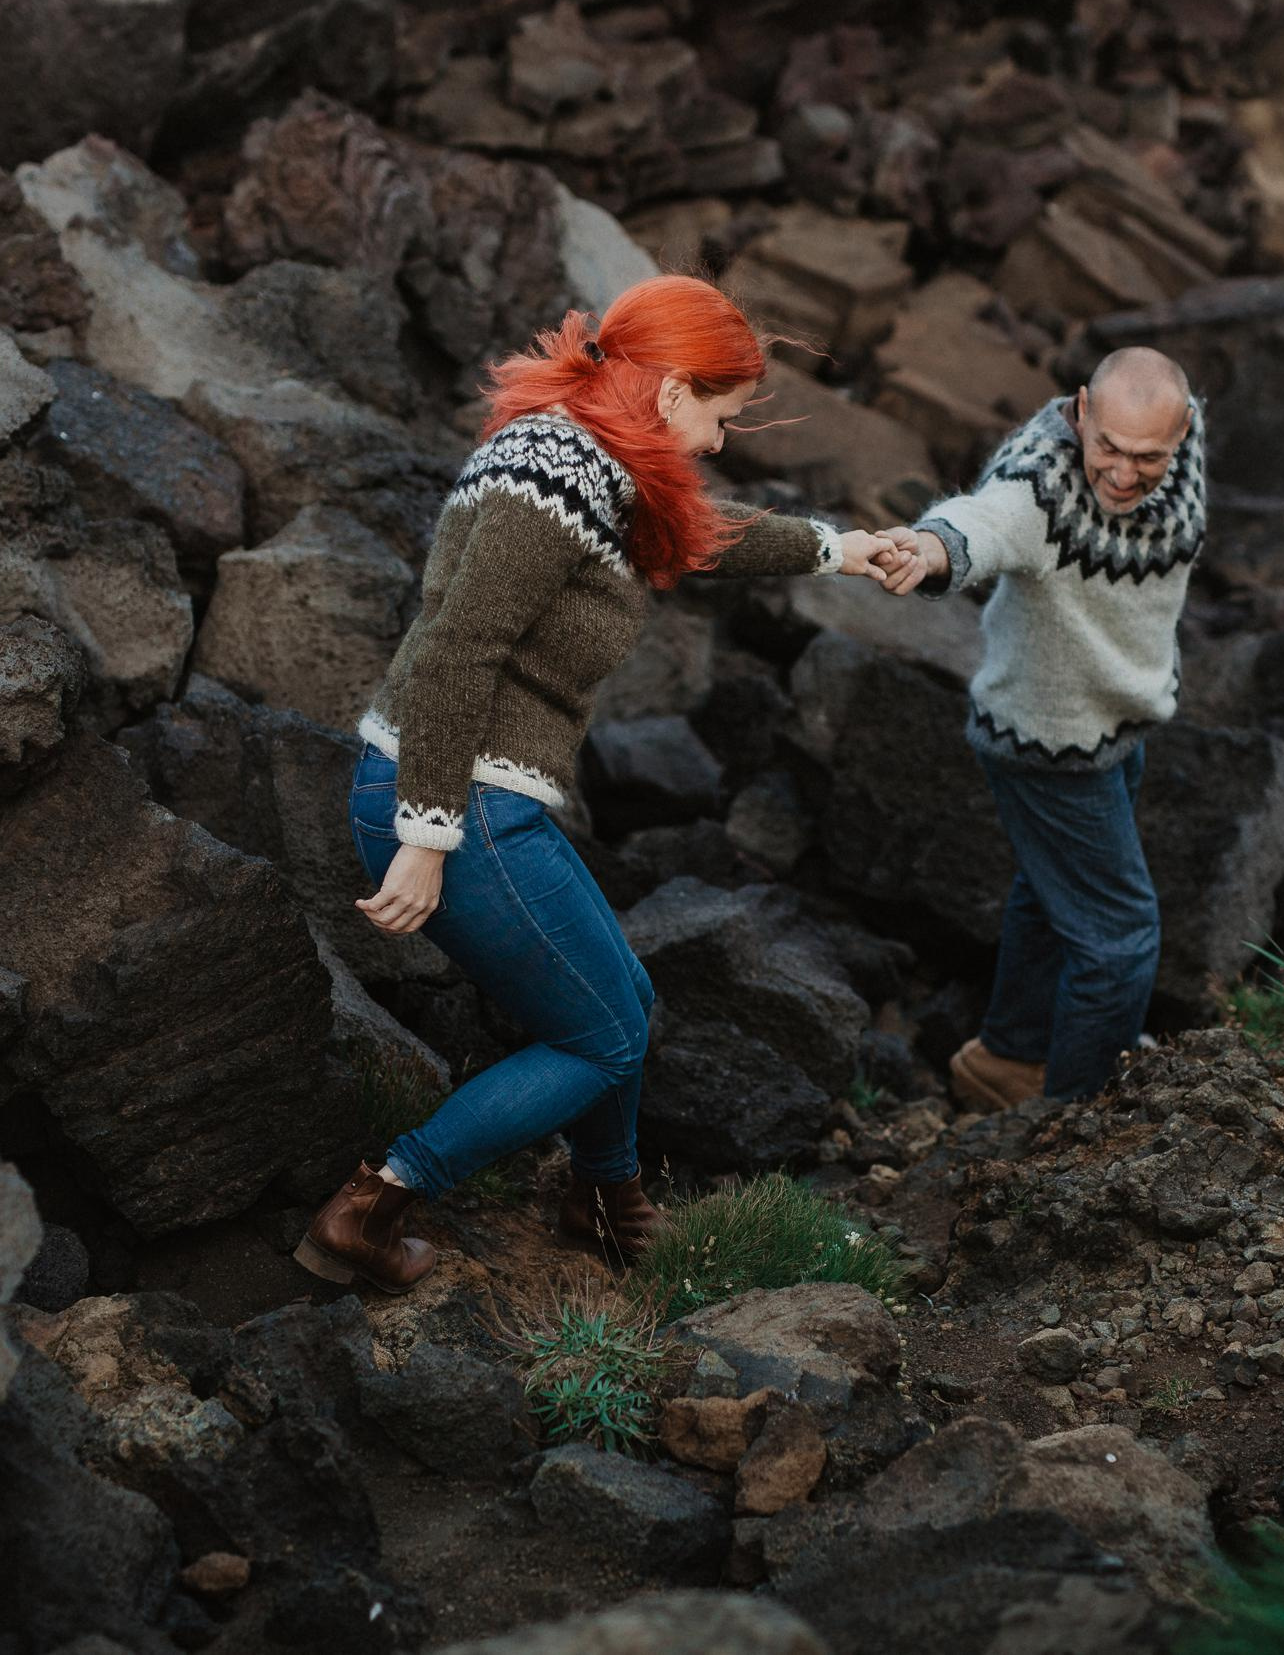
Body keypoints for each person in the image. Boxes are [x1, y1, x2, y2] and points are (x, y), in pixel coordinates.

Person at [297, 275, 918, 1293]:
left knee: (621, 997)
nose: (717, 443)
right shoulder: (555, 474)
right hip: (460, 804)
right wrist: (426, 830)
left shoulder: (592, 453)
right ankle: (371, 1206)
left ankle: (600, 1195)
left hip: (480, 798)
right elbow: (460, 648)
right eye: (717, 416)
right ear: (671, 391)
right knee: (602, 1035)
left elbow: (698, 535)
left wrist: (836, 548)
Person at [884, 348, 1206, 1112]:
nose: (1124, 475)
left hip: (1117, 720)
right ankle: (1076, 1117)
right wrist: (932, 550)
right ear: (1081, 414)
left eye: (1149, 457)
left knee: (1051, 890)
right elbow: (985, 520)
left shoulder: (1181, 435)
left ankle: (1010, 1054)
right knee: (1121, 939)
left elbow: (1158, 448)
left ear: (1184, 430)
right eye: (1109, 450)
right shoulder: (1043, 485)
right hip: (1049, 746)